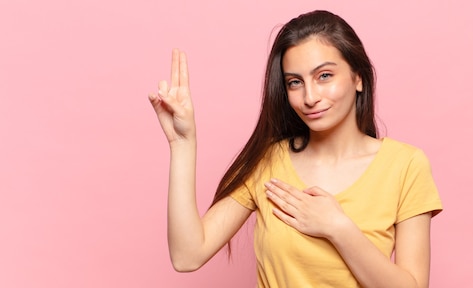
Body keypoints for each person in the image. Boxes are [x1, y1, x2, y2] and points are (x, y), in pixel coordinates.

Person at [148, 10, 442, 288]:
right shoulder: (267, 160)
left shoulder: (405, 164)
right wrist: (182, 143)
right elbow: (187, 256)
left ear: (359, 78)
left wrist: (337, 227)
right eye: (295, 82)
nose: (309, 97)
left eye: (324, 76)